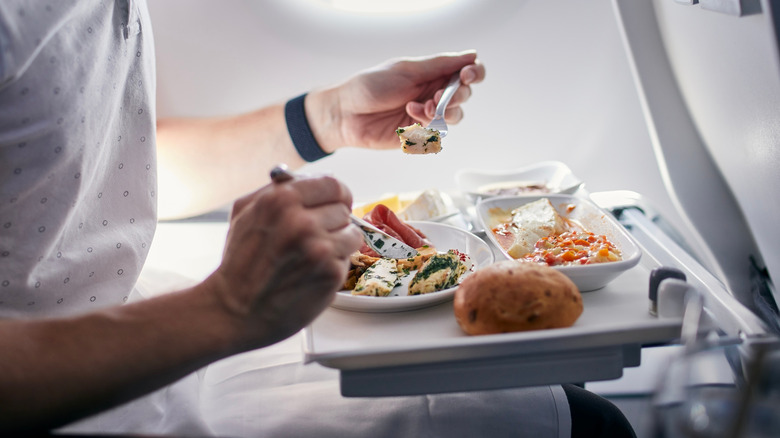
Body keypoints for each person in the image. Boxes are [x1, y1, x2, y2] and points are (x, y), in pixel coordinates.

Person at [0, 1, 635, 437]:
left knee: (557, 377)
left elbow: (108, 166)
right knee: (592, 426)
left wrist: (330, 118)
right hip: (78, 393)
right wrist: (223, 309)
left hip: (151, 321)